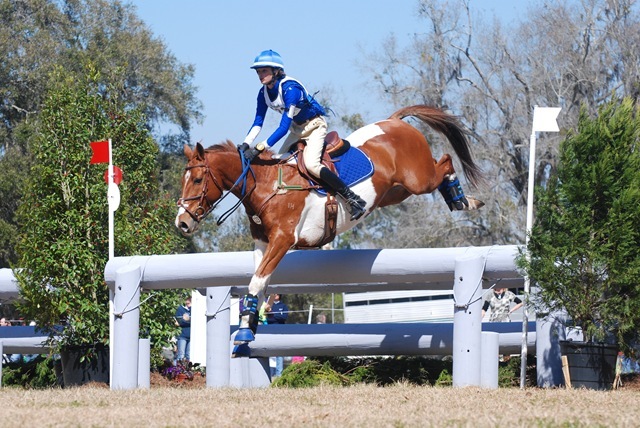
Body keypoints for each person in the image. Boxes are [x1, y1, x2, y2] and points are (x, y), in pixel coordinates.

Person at [240, 49, 366, 221]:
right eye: (258, 72)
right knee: (279, 164)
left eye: (264, 71)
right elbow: (258, 122)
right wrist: (246, 143)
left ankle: (353, 199)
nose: (260, 75)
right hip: (296, 129)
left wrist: (259, 148)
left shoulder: (290, 89)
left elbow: (282, 128)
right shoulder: (263, 94)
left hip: (314, 126)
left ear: (276, 71)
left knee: (312, 165)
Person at [265, 293, 288, 376]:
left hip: (280, 330)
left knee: (279, 352)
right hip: (269, 329)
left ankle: (279, 374)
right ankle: (268, 373)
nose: (275, 296)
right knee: (267, 351)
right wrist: (277, 315)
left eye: (277, 294)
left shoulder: (284, 306)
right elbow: (267, 318)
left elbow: (284, 317)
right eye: (274, 294)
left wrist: (273, 314)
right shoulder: (268, 305)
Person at [174, 296, 191, 362]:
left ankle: (188, 368)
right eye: (187, 299)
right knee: (181, 354)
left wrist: (187, 319)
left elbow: (195, 321)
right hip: (182, 335)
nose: (188, 301)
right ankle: (178, 368)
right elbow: (179, 322)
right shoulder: (180, 309)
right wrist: (186, 320)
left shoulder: (193, 309)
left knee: (189, 355)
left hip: (191, 335)